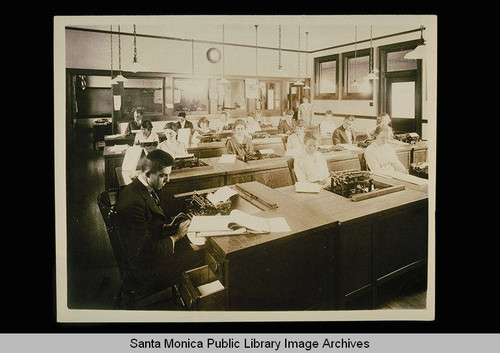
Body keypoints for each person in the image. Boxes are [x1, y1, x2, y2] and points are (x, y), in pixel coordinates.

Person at [114, 149, 204, 290]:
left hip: (153, 250)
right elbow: (143, 253)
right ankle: (191, 299)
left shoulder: (140, 189)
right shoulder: (132, 203)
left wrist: (175, 228)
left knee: (193, 246)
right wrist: (176, 236)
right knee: (201, 254)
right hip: (144, 271)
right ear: (147, 174)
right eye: (163, 176)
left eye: (168, 175)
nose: (168, 180)